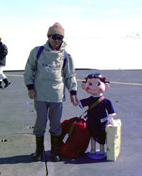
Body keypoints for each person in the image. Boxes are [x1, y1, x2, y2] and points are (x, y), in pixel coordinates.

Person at [24, 22, 78, 162]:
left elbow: (69, 75)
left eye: (60, 37)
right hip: (40, 95)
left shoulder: (66, 56)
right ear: (48, 36)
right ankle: (39, 152)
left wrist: (73, 92)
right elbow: (29, 69)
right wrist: (30, 87)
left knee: (55, 124)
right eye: (54, 37)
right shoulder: (37, 52)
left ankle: (55, 152)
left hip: (57, 96)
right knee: (40, 122)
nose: (57, 40)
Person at [80, 73, 116, 159]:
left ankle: (101, 150)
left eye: (98, 84)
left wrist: (111, 119)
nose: (93, 87)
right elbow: (80, 103)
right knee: (92, 136)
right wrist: (74, 98)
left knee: (101, 137)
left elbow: (110, 112)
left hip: (101, 122)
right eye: (90, 84)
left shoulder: (106, 101)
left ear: (106, 86)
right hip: (91, 122)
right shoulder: (90, 99)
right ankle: (93, 149)